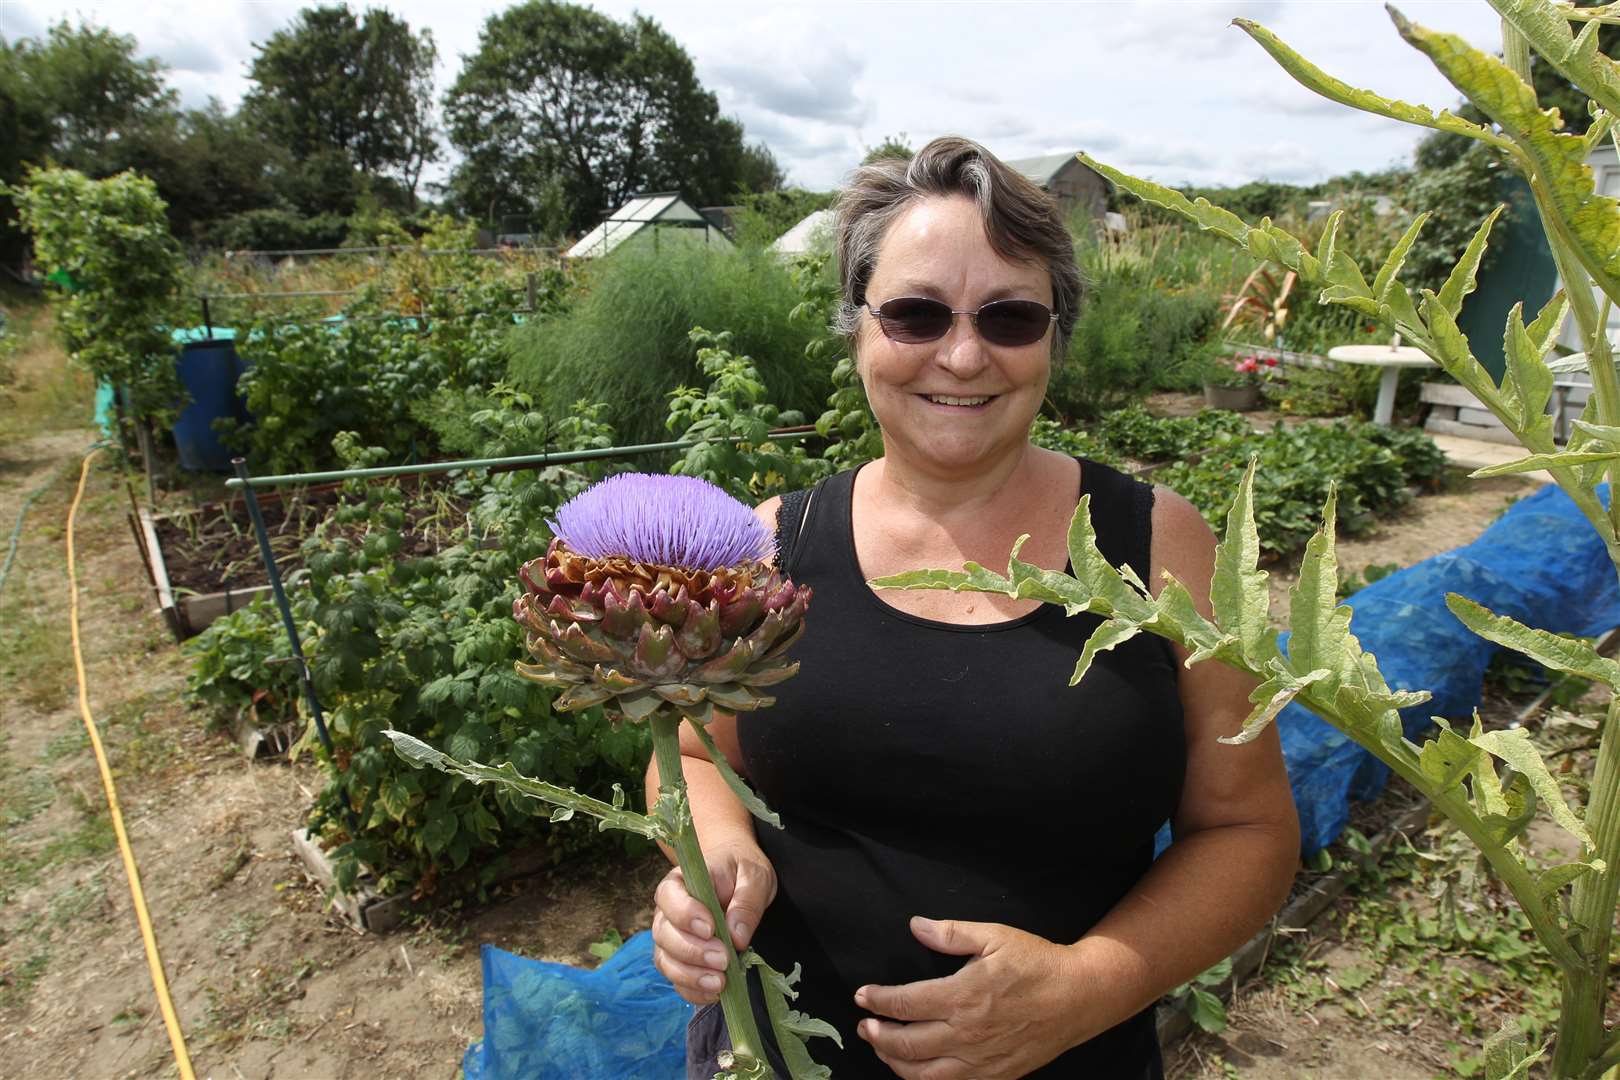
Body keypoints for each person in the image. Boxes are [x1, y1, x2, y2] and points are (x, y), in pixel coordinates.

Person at [648, 136, 1299, 1079]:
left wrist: (1087, 986)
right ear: (857, 327)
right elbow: (697, 756)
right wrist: (712, 858)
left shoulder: (1163, 545)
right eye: (915, 314)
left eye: (1009, 317)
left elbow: (1249, 832)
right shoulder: (769, 542)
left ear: (1053, 338)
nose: (961, 354)